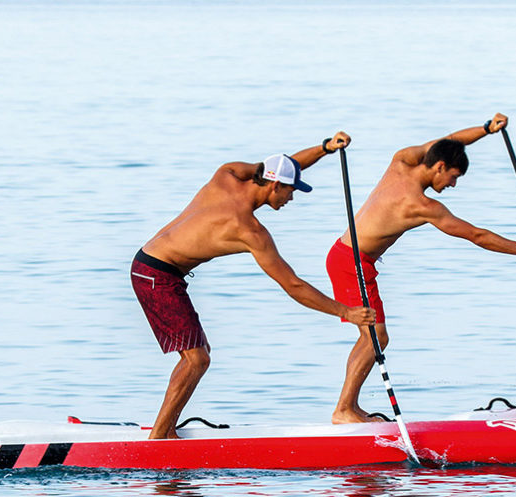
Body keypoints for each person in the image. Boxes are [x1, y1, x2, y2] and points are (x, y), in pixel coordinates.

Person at [132, 133, 376, 439]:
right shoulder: (250, 231)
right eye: (291, 191)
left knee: (198, 355)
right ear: (274, 186)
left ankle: (164, 431)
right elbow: (293, 284)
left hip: (150, 267)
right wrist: (346, 312)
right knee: (197, 359)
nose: (291, 198)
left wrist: (325, 149)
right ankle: (159, 438)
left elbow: (283, 166)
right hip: (157, 276)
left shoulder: (227, 174)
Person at [326, 113, 516, 424]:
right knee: (375, 336)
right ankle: (343, 410)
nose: (453, 185)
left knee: (373, 335)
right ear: (439, 167)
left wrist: (487, 130)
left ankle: (348, 408)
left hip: (348, 257)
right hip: (351, 263)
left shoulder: (402, 161)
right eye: (453, 177)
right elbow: (477, 235)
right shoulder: (421, 205)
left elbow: (450, 141)